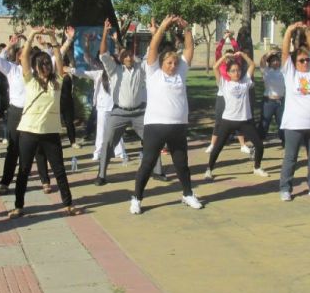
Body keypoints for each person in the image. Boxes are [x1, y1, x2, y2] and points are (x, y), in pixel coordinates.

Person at [131, 15, 200, 214]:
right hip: (155, 126)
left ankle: (187, 194)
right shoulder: (153, 72)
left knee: (182, 164)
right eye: (169, 63)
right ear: (161, 63)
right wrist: (162, 28)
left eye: (174, 63)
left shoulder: (181, 71)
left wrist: (187, 29)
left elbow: (188, 49)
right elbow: (153, 49)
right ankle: (136, 198)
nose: (172, 66)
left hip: (178, 126)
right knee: (148, 163)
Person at [10, 27, 82, 218]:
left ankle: (68, 204)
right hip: (28, 132)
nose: (46, 66)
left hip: (50, 133)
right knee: (24, 170)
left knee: (59, 170)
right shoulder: (30, 81)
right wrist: (32, 35)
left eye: (47, 63)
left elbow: (59, 59)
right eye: (42, 64)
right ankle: (18, 206)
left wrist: (54, 39)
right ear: (36, 67)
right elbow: (25, 57)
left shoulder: (57, 82)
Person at [95, 18, 166, 185]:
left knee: (152, 141)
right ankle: (101, 175)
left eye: (130, 54)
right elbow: (103, 53)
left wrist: (154, 34)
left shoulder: (141, 67)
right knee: (107, 143)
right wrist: (105, 32)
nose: (128, 56)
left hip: (140, 112)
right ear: (120, 58)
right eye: (125, 55)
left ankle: (158, 171)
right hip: (119, 112)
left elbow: (152, 50)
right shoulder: (114, 70)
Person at [0, 36, 51, 194]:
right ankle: (5, 182)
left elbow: (50, 57)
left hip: (33, 113)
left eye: (31, 53)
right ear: (19, 56)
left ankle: (45, 180)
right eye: (24, 53)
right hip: (16, 112)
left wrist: (48, 41)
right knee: (13, 148)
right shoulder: (11, 69)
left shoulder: (37, 72)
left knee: (39, 148)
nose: (28, 55)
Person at [278, 22, 310, 201]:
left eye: (307, 59)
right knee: (291, 157)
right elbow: (285, 53)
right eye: (301, 60)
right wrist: (290, 31)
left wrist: (307, 30)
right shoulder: (290, 73)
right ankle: (285, 188)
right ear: (294, 63)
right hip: (295, 124)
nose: (306, 62)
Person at [205, 50, 267, 180]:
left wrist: (243, 55)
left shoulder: (245, 82)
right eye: (232, 71)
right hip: (228, 120)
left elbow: (252, 65)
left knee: (259, 145)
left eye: (238, 70)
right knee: (218, 147)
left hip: (245, 120)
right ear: (228, 73)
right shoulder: (224, 84)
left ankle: (257, 167)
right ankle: (209, 169)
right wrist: (225, 56)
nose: (236, 73)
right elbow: (215, 67)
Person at [205, 30, 250, 154]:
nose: (231, 58)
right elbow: (218, 51)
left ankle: (242, 145)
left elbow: (237, 49)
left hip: (235, 96)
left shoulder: (237, 65)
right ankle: (212, 144)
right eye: (228, 56)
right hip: (222, 96)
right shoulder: (222, 66)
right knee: (219, 121)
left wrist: (232, 38)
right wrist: (224, 38)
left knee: (238, 120)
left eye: (232, 56)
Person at [257, 50, 285, 146]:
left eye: (277, 60)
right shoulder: (266, 71)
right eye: (273, 61)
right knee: (264, 123)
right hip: (268, 101)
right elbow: (262, 61)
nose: (276, 62)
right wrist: (269, 53)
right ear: (269, 63)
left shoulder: (283, 70)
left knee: (282, 122)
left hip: (280, 101)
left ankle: (284, 140)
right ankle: (259, 141)